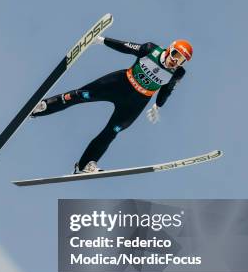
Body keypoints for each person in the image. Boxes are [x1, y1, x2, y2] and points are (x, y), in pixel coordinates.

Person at [30, 37, 193, 174]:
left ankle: (85, 165)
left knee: (112, 131)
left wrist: (158, 106)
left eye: (181, 60)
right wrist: (102, 40)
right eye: (175, 55)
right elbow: (126, 46)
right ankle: (43, 107)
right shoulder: (150, 49)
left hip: (136, 102)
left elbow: (167, 89)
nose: (175, 61)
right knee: (81, 95)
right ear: (169, 49)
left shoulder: (178, 73)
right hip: (119, 83)